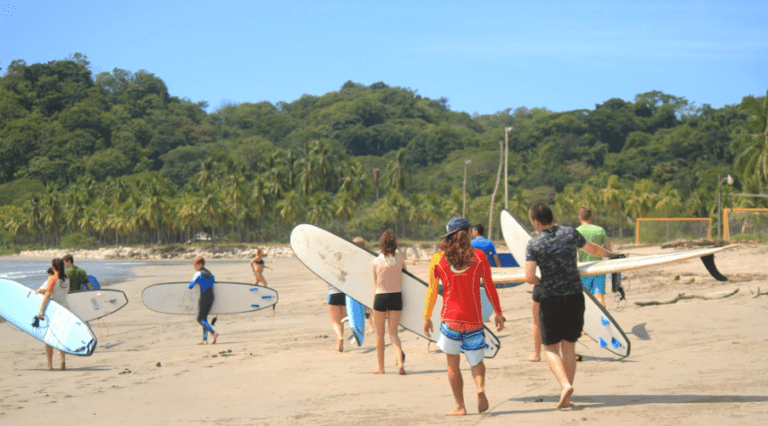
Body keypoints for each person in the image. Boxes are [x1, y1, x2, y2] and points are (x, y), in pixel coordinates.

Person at [525, 203, 612, 409]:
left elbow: (529, 277)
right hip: (574, 295)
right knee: (569, 346)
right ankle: (568, 394)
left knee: (550, 348)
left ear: (536, 222)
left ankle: (564, 385)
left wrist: (542, 281)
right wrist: (611, 256)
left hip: (551, 298)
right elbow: (593, 249)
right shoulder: (570, 233)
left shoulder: (534, 244)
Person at [424, 217, 505, 416]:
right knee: (476, 361)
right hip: (474, 320)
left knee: (452, 365)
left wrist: (427, 316)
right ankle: (480, 388)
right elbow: (490, 287)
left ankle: (460, 406)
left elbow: (432, 291)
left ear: (448, 236)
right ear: (468, 234)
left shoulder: (437, 259)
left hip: (450, 320)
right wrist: (499, 313)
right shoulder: (479, 257)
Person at [371, 230, 406, 375]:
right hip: (396, 297)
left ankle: (381, 367)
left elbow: (375, 283)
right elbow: (404, 273)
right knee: (394, 333)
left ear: (381, 244)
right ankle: (400, 363)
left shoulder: (376, 261)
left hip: (381, 297)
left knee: (380, 334)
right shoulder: (400, 258)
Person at [33, 259, 70, 370]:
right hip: (65, 308)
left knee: (48, 339)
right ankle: (63, 362)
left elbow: (48, 294)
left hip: (54, 310)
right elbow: (60, 291)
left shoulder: (52, 278)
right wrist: (41, 290)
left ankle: (50, 365)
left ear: (53, 267)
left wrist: (41, 310)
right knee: (60, 337)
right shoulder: (67, 279)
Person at [576, 206, 612, 308]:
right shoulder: (600, 230)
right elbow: (609, 250)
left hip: (584, 269)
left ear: (579, 217)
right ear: (591, 217)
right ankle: (603, 321)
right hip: (598, 268)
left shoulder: (576, 232)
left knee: (585, 300)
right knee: (599, 297)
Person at [189, 257, 218, 345]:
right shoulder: (209, 273)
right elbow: (213, 281)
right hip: (211, 297)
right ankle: (205, 339)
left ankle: (213, 333)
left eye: (195, 265)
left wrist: (197, 281)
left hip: (204, 298)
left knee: (199, 319)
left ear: (200, 264)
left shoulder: (198, 274)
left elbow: (190, 286)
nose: (194, 267)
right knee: (204, 318)